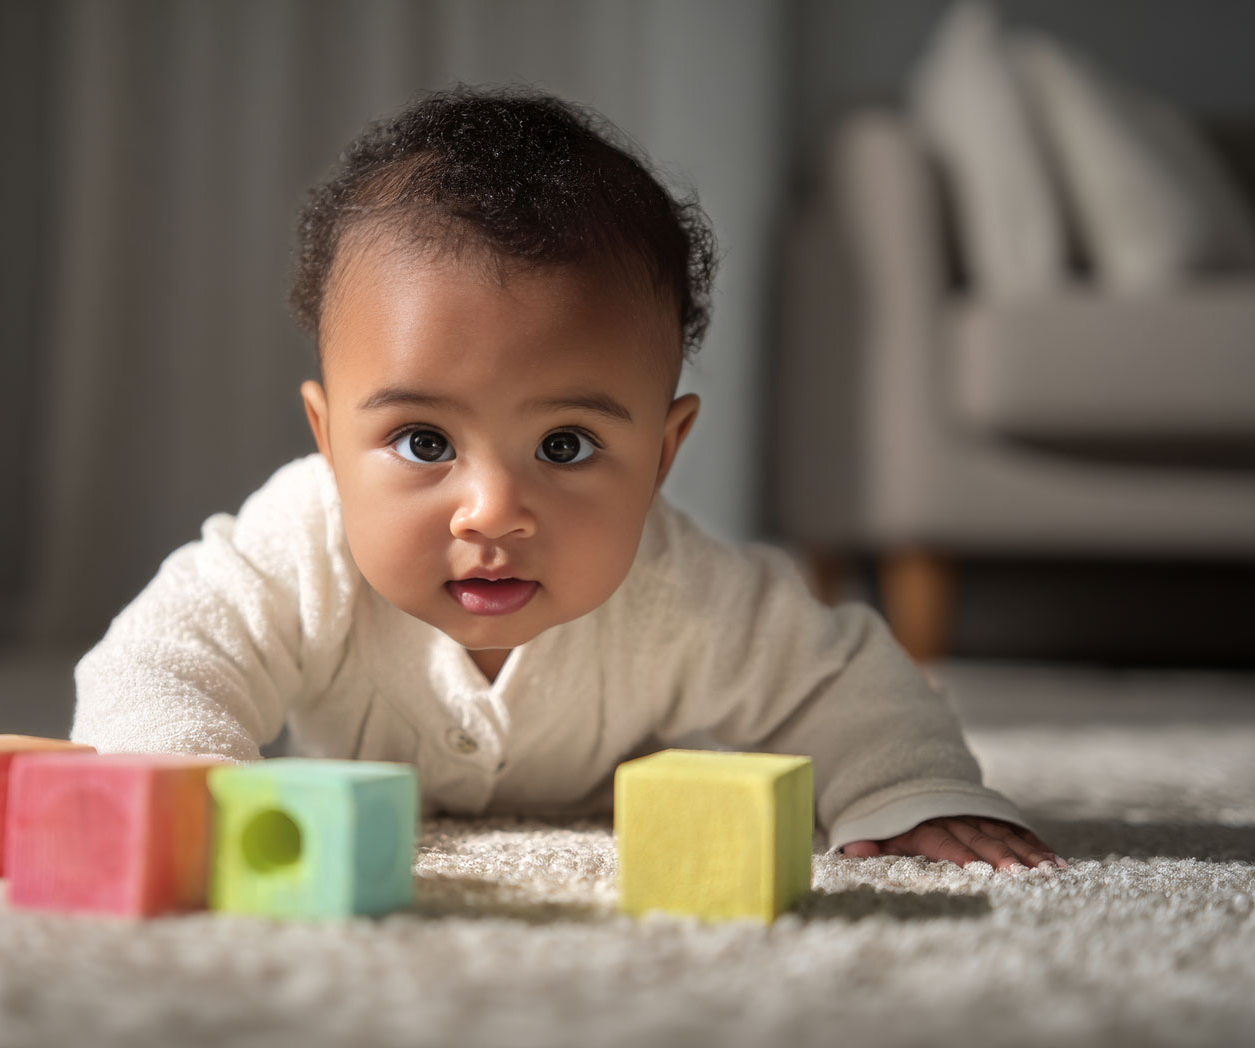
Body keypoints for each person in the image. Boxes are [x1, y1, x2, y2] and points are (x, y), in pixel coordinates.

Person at [71, 85, 1066, 873]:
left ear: (663, 453)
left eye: (564, 447)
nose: (493, 511)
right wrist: (184, 783)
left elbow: (842, 677)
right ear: (328, 442)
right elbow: (160, 660)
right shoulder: (298, 545)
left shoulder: (680, 588)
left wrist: (911, 791)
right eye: (423, 442)